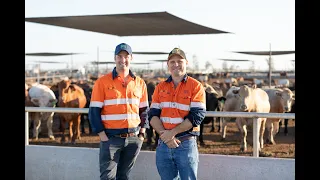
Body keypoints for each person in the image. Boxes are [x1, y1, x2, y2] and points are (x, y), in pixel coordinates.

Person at [88, 43, 149, 180]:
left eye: (126, 56)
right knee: (108, 177)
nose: (123, 60)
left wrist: (142, 134)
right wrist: (103, 136)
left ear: (131, 58)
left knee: (124, 176)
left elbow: (144, 111)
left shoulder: (140, 83)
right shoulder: (102, 82)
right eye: (119, 56)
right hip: (111, 138)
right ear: (114, 58)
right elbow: (93, 112)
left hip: (134, 138)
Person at [148, 47, 206, 180]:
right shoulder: (160, 87)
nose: (176, 64)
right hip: (163, 144)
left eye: (179, 61)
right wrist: (166, 136)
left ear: (186, 62)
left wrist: (171, 134)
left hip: (185, 144)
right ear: (167, 65)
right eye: (172, 62)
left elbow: (197, 116)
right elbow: (153, 115)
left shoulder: (196, 86)